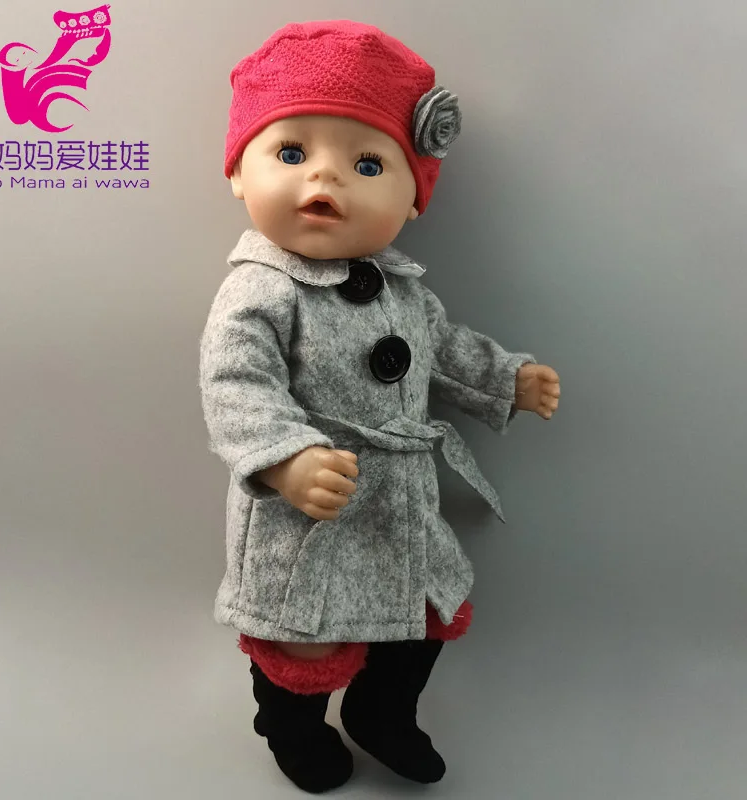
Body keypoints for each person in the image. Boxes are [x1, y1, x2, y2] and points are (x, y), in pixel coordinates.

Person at [199, 19, 561, 794]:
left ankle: (382, 714)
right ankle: (292, 727)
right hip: (308, 508)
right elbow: (235, 384)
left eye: (367, 164)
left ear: (413, 199)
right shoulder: (258, 291)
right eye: (290, 153)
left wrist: (507, 379)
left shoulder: (405, 291)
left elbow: (444, 349)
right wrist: (286, 460)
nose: (324, 180)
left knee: (421, 611)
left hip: (398, 496)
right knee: (302, 635)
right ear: (237, 172)